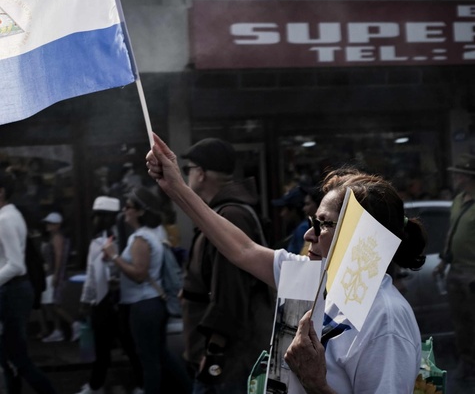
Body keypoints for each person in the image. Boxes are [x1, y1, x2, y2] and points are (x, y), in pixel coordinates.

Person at [146, 134, 427, 394]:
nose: (308, 235)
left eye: (324, 224)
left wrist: (315, 383)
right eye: (312, 223)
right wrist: (177, 187)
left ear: (360, 234)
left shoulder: (386, 319)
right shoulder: (314, 280)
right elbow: (243, 250)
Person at [176, 137, 274, 394]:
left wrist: (214, 353)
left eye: (189, 169)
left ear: (200, 173)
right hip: (226, 354)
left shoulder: (230, 216)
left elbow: (229, 295)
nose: (188, 175)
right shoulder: (221, 213)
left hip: (230, 359)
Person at [102, 187, 191, 394]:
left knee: (149, 360)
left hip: (144, 305)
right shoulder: (153, 233)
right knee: (160, 354)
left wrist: (114, 256)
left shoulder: (140, 238)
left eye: (128, 206)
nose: (124, 210)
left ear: (140, 211)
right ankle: (191, 389)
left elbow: (140, 273)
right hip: (151, 303)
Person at [76, 196, 143, 394]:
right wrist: (86, 300)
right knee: (102, 346)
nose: (98, 220)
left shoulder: (129, 237)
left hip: (125, 298)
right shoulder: (98, 240)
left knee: (130, 345)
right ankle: (96, 385)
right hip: (103, 301)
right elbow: (91, 273)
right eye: (97, 216)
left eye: (102, 216)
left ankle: (141, 384)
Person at [0, 169, 57, 394]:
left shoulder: (5, 218)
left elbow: (16, 265)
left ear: (1, 192)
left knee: (16, 358)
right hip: (14, 290)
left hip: (12, 291)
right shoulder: (10, 214)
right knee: (9, 357)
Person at [433, 154, 475, 385]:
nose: (455, 177)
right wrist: (442, 262)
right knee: (461, 323)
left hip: (472, 273)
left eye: (459, 174)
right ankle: (466, 363)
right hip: (456, 271)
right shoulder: (459, 200)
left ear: (469, 177)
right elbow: (451, 233)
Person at [40, 212, 81, 343]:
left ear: (57, 225)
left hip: (53, 274)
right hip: (49, 273)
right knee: (49, 304)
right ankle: (57, 331)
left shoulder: (57, 238)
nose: (48, 225)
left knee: (54, 305)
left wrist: (57, 274)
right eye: (48, 223)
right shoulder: (53, 237)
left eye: (51, 223)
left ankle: (74, 324)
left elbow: (58, 257)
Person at [272, 186, 308, 254]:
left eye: (284, 209)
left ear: (293, 210)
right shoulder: (297, 228)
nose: (282, 214)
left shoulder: (303, 229)